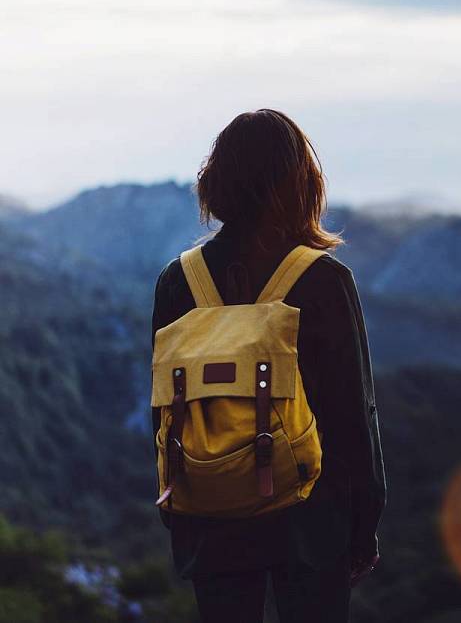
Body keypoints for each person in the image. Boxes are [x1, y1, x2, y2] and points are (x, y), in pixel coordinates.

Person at [150, 109, 386, 622]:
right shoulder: (324, 280)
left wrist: (178, 507)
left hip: (209, 515)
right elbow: (353, 412)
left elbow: (164, 409)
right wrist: (364, 522)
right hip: (310, 518)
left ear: (216, 181)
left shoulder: (178, 281)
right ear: (303, 183)